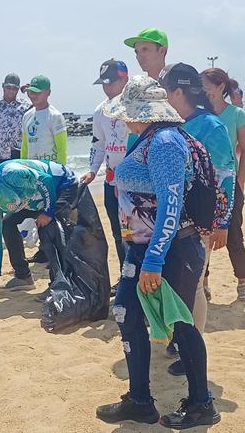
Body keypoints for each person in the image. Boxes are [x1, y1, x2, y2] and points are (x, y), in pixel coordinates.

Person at [94, 75, 220, 429]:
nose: (121, 119)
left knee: (179, 325)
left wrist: (153, 260)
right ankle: (139, 401)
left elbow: (171, 203)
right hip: (142, 248)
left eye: (126, 113)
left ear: (143, 111)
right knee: (127, 314)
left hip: (168, 251)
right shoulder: (148, 137)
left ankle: (201, 404)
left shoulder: (164, 141)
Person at [160, 63, 237, 377]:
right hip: (172, 219)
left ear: (178, 92)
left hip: (201, 221)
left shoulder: (210, 126)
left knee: (192, 287)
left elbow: (226, 175)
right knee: (176, 284)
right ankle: (181, 340)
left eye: (164, 91)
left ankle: (193, 347)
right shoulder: (172, 123)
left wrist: (223, 222)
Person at [0, 159, 80, 293]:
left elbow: (47, 180)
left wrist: (49, 213)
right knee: (7, 224)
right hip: (35, 199)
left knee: (49, 229)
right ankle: (23, 277)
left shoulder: (10, 175)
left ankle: (60, 283)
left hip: (62, 184)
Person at [201, 67, 245, 302]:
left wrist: (240, 182)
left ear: (220, 87)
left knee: (233, 234)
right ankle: (203, 282)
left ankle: (242, 281)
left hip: (229, 186)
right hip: (203, 187)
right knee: (202, 234)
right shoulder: (199, 114)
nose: (201, 89)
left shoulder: (237, 115)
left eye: (205, 84)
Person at [81, 59, 130, 267]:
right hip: (111, 181)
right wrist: (92, 170)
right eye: (103, 83)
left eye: (111, 82)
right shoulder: (100, 110)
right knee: (118, 233)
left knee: (135, 232)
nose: (107, 88)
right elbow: (98, 143)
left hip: (134, 182)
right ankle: (125, 276)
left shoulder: (135, 107)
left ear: (125, 79)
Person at [0, 73, 32, 168]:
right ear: (3, 86)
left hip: (20, 157)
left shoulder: (27, 106)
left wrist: (31, 92)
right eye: (8, 87)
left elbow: (41, 109)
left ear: (18, 89)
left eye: (14, 88)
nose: (11, 90)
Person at [20, 75, 67, 165]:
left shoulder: (55, 116)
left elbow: (62, 150)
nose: (33, 95)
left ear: (48, 93)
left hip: (50, 171)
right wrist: (23, 167)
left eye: (37, 92)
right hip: (32, 171)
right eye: (31, 92)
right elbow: (25, 147)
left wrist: (61, 174)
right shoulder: (26, 116)